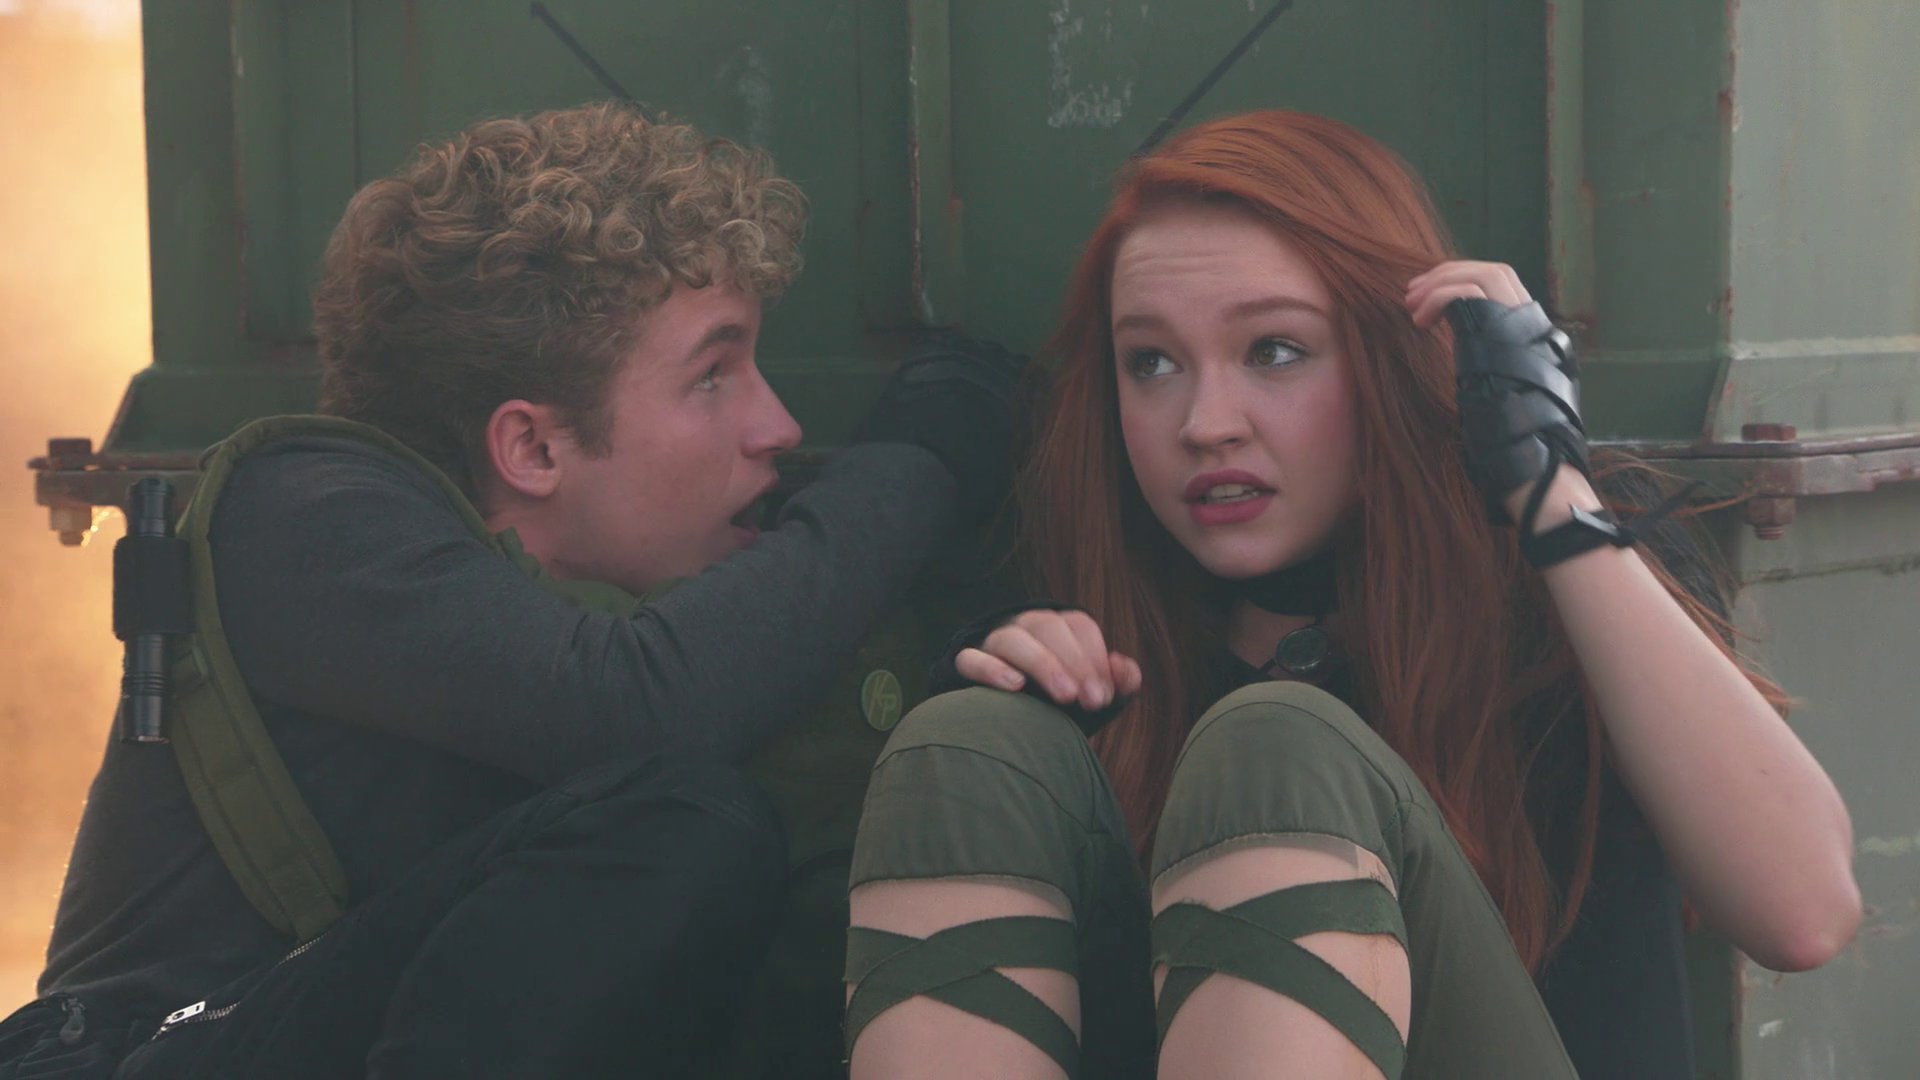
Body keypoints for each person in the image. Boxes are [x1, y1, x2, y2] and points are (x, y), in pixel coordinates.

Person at [0, 102, 1024, 1077]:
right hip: (139, 1053)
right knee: (677, 826)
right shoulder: (306, 514)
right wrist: (920, 460)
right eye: (712, 376)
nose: (781, 428)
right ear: (531, 447)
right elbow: (638, 706)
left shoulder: (580, 610)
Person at [840, 111, 1862, 1079]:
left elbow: (1803, 912)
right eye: (1150, 362)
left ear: (1393, 355)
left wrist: (1549, 490)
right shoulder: (1097, 623)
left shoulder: (1562, 576)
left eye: (1274, 351)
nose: (1206, 421)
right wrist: (1031, 699)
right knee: (967, 744)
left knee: (1277, 746)